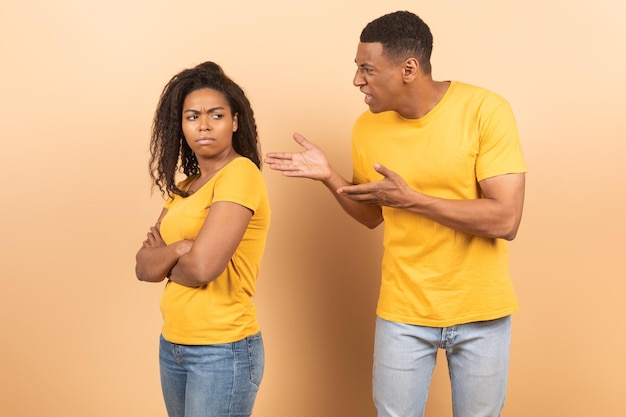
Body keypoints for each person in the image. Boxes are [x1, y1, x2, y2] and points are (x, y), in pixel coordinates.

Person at [264, 10, 526, 417]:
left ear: (408, 68)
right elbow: (372, 215)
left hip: (480, 311)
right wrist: (329, 176)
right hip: (403, 311)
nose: (357, 80)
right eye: (356, 68)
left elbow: (506, 219)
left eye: (367, 69)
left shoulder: (486, 110)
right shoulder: (367, 128)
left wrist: (415, 200)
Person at [135, 61, 270, 417]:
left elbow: (203, 268)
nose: (204, 125)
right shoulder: (183, 187)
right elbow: (142, 267)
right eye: (192, 116)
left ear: (235, 121)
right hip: (174, 344)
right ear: (180, 125)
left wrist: (167, 257)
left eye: (216, 115)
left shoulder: (241, 174)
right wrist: (180, 248)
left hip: (222, 348)